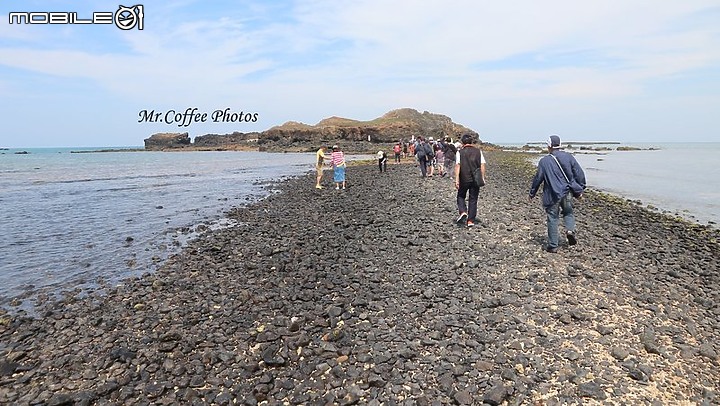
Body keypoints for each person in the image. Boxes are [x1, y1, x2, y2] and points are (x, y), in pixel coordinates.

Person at [529, 134, 587, 253]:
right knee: (568, 212)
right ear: (559, 146)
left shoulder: (544, 161)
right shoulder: (568, 157)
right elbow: (579, 173)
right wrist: (580, 188)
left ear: (549, 146)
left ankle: (553, 245)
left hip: (552, 194)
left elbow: (538, 178)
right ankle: (570, 230)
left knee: (552, 218)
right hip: (567, 192)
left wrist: (532, 193)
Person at [454, 132, 486, 228]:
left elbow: (457, 166)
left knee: (460, 196)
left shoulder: (460, 152)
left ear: (463, 142)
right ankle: (470, 220)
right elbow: (482, 165)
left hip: (464, 178)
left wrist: (456, 180)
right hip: (476, 179)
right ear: (471, 142)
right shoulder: (478, 151)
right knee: (473, 199)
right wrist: (482, 177)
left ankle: (463, 211)